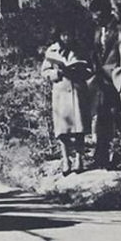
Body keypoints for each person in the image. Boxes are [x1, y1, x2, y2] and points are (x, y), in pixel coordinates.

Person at [41, 24, 93, 175]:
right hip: (61, 92)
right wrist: (56, 74)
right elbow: (44, 71)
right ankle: (65, 159)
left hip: (77, 91)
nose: (67, 38)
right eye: (64, 35)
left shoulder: (80, 49)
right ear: (59, 36)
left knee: (79, 128)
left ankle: (79, 159)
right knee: (62, 129)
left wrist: (80, 72)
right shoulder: (52, 51)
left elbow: (90, 68)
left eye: (69, 35)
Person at [88, 0, 121, 169]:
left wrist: (116, 73)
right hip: (101, 79)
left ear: (107, 12)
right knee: (102, 116)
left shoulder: (119, 28)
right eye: (94, 16)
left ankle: (119, 155)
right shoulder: (97, 30)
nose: (96, 19)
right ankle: (101, 156)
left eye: (99, 16)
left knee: (118, 117)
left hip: (117, 79)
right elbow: (96, 52)